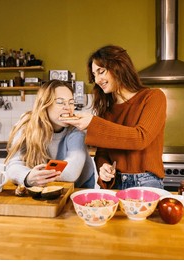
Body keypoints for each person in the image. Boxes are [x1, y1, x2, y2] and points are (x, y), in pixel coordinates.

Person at [61, 45, 167, 190]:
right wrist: (103, 166)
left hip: (146, 183)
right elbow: (102, 152)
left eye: (101, 71)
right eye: (94, 75)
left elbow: (140, 138)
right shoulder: (107, 109)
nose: (97, 79)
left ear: (119, 67)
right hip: (116, 183)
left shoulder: (153, 97)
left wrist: (92, 123)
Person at [4, 80, 95, 193]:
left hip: (79, 187)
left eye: (71, 102)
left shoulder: (76, 131)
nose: (68, 107)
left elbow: (71, 172)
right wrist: (28, 176)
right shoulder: (26, 126)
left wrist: (41, 174)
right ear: (45, 104)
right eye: (60, 102)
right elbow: (13, 165)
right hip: (42, 187)